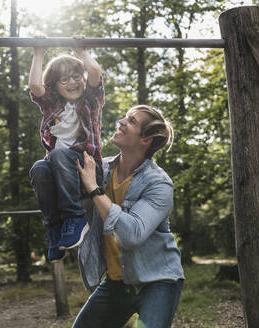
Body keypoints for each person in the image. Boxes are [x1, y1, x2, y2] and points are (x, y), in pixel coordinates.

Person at [74, 105, 184, 328]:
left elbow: (132, 234)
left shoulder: (159, 184)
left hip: (157, 281)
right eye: (125, 117)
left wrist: (95, 190)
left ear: (146, 140)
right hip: (117, 281)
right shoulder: (100, 169)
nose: (122, 122)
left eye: (131, 121)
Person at [28, 36, 105, 263]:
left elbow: (94, 71)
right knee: (39, 168)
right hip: (61, 176)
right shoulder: (52, 104)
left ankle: (75, 217)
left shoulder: (91, 100)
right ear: (54, 86)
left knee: (58, 154)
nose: (72, 82)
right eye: (64, 79)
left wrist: (80, 51)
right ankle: (54, 229)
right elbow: (35, 86)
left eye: (75, 76)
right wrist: (38, 53)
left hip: (89, 172)